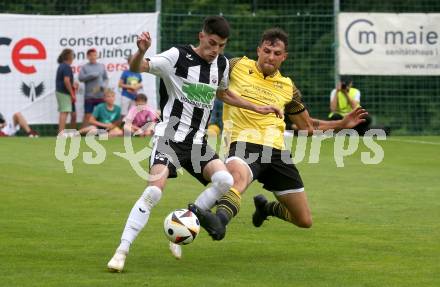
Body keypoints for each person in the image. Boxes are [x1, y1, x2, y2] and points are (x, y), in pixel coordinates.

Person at [168, 27, 368, 258]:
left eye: (276, 53)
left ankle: (265, 209)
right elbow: (206, 73)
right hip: (243, 142)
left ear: (284, 57)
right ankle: (219, 221)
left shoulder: (288, 87)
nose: (270, 57)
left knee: (303, 220)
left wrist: (342, 123)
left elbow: (306, 126)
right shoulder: (235, 65)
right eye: (267, 51)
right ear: (258, 50)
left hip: (277, 152)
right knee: (236, 179)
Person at [107, 16, 282, 271]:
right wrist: (141, 51)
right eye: (212, 43)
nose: (215, 51)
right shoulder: (177, 56)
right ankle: (121, 251)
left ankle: (184, 218)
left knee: (225, 181)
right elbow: (138, 67)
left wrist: (257, 106)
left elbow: (222, 93)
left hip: (197, 143)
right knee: (154, 192)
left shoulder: (221, 64)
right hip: (169, 137)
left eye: (221, 46)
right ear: (201, 36)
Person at [79, 48, 108, 128]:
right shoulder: (84, 67)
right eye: (91, 55)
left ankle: (101, 132)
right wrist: (91, 75)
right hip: (89, 95)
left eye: (94, 55)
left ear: (97, 56)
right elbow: (80, 78)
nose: (93, 57)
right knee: (88, 115)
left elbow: (105, 78)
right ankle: (82, 132)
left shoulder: (101, 66)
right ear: (87, 57)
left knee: (101, 114)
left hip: (100, 95)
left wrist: (104, 86)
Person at [55, 48, 77, 134]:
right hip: (64, 92)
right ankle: (61, 133)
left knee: (67, 112)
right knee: (64, 112)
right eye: (72, 55)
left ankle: (66, 132)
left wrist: (73, 85)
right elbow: (66, 80)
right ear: (69, 56)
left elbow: (66, 81)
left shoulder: (62, 66)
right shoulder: (66, 67)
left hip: (61, 91)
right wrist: (72, 93)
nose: (73, 57)